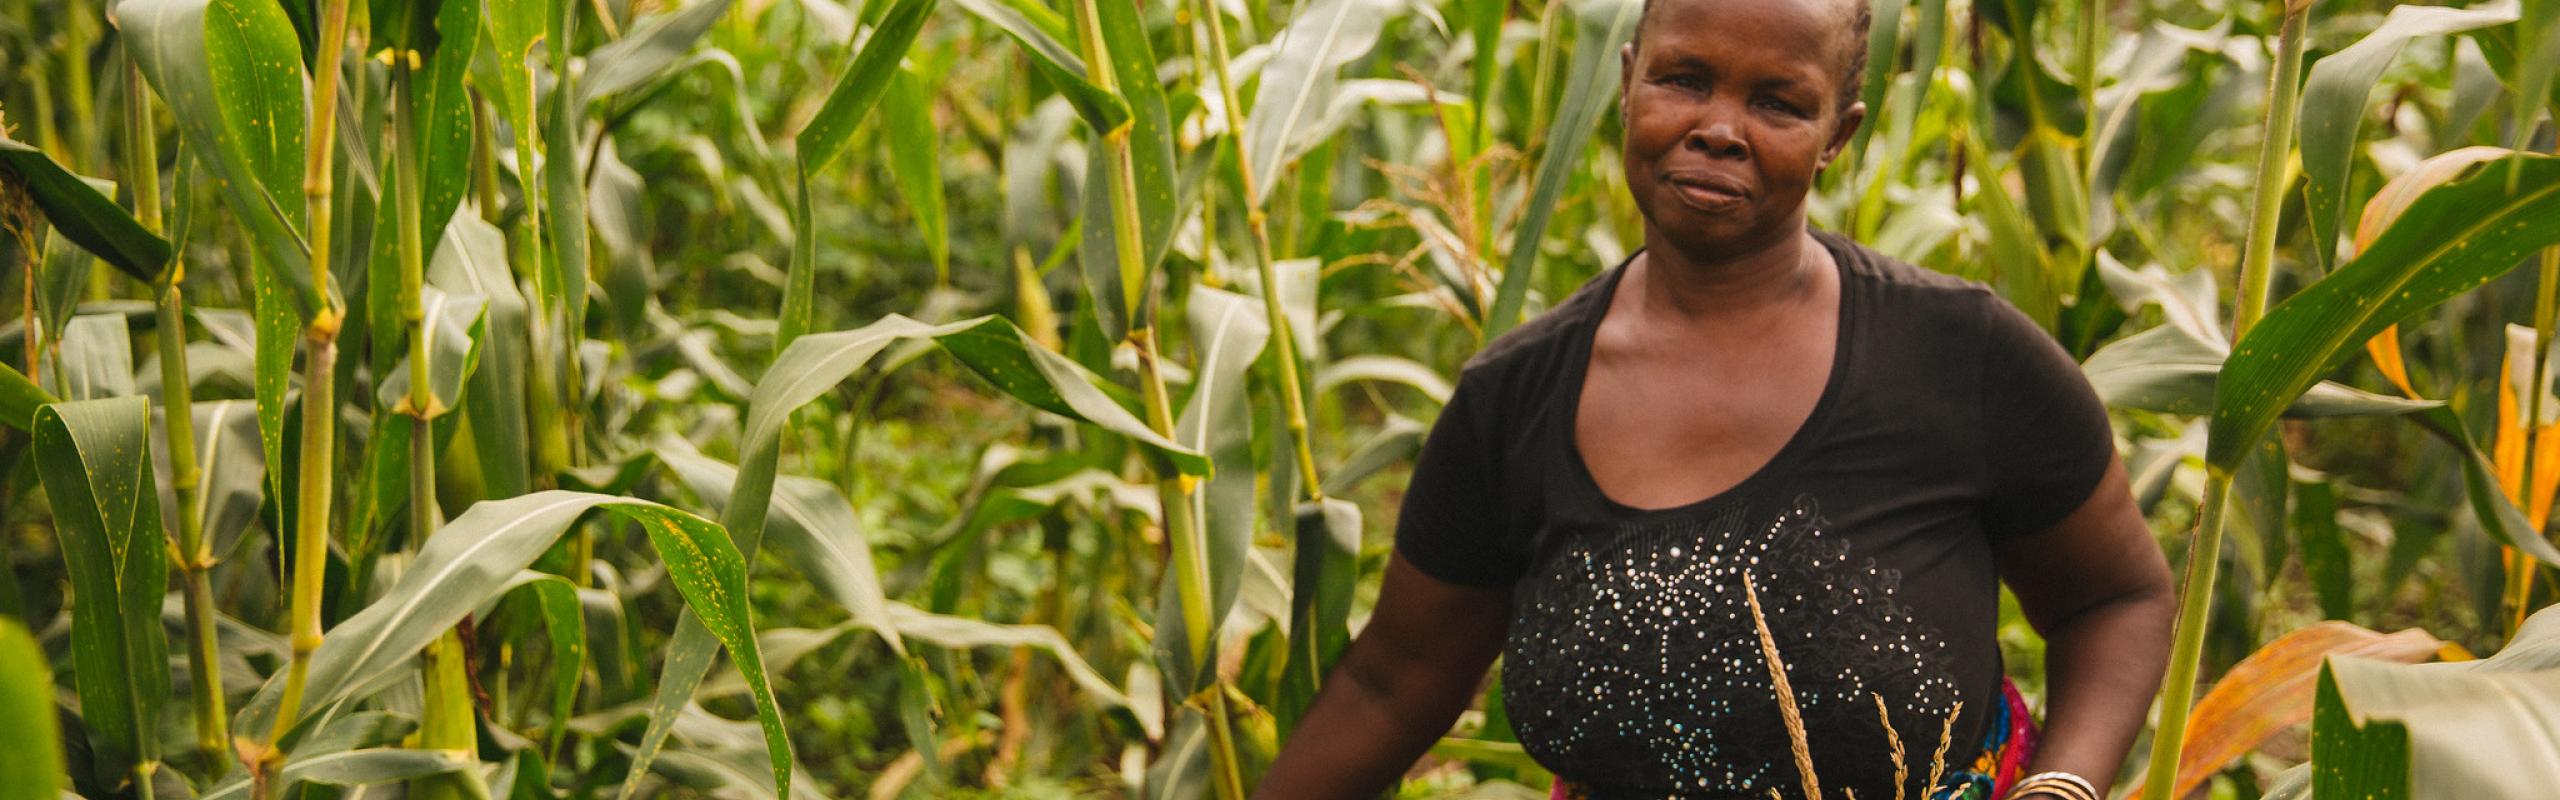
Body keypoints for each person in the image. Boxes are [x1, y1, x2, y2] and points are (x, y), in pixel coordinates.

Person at [1253, 0, 2175, 797]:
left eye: (1778, 102)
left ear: (1838, 136)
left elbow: (2117, 598)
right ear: (1627, 82)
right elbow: (1392, 685)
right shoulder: (1515, 399)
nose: (1719, 128)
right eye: (1684, 80)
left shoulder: (1960, 355)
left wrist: (2064, 787)